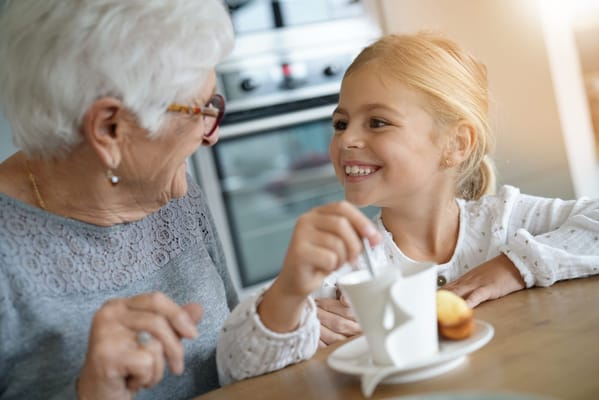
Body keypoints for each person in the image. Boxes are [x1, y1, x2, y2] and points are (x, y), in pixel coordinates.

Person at [0, 1, 379, 399]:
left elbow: (227, 359)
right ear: (109, 128)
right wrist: (92, 392)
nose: (211, 134)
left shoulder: (172, 196)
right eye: (201, 110)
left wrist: (276, 324)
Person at [315, 32, 599, 347]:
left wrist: (515, 266)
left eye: (377, 122)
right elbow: (254, 350)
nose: (346, 139)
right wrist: (297, 326)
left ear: (456, 143)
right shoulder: (343, 262)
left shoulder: (505, 221)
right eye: (340, 124)